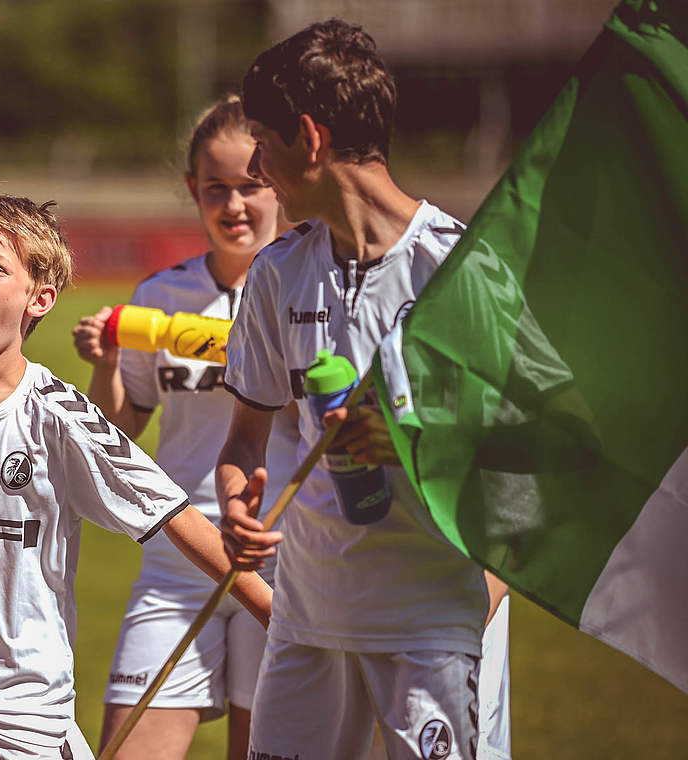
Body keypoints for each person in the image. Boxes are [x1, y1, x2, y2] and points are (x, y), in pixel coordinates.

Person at [0, 191, 272, 759]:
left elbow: (176, 517)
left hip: (21, 715)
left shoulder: (59, 416)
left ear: (39, 299)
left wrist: (276, 614)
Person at [216, 20, 497, 759]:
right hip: (305, 626)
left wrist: (408, 443)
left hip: (429, 629)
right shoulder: (278, 273)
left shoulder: (460, 269)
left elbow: (527, 457)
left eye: (262, 140)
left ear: (309, 137)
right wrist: (235, 503)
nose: (256, 165)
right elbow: (244, 441)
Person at [71, 96, 298, 760]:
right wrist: (110, 361)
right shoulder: (159, 296)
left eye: (252, 186)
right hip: (176, 562)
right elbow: (121, 428)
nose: (235, 206)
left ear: (278, 184)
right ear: (193, 191)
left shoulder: (310, 291)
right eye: (216, 189)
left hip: (282, 557)